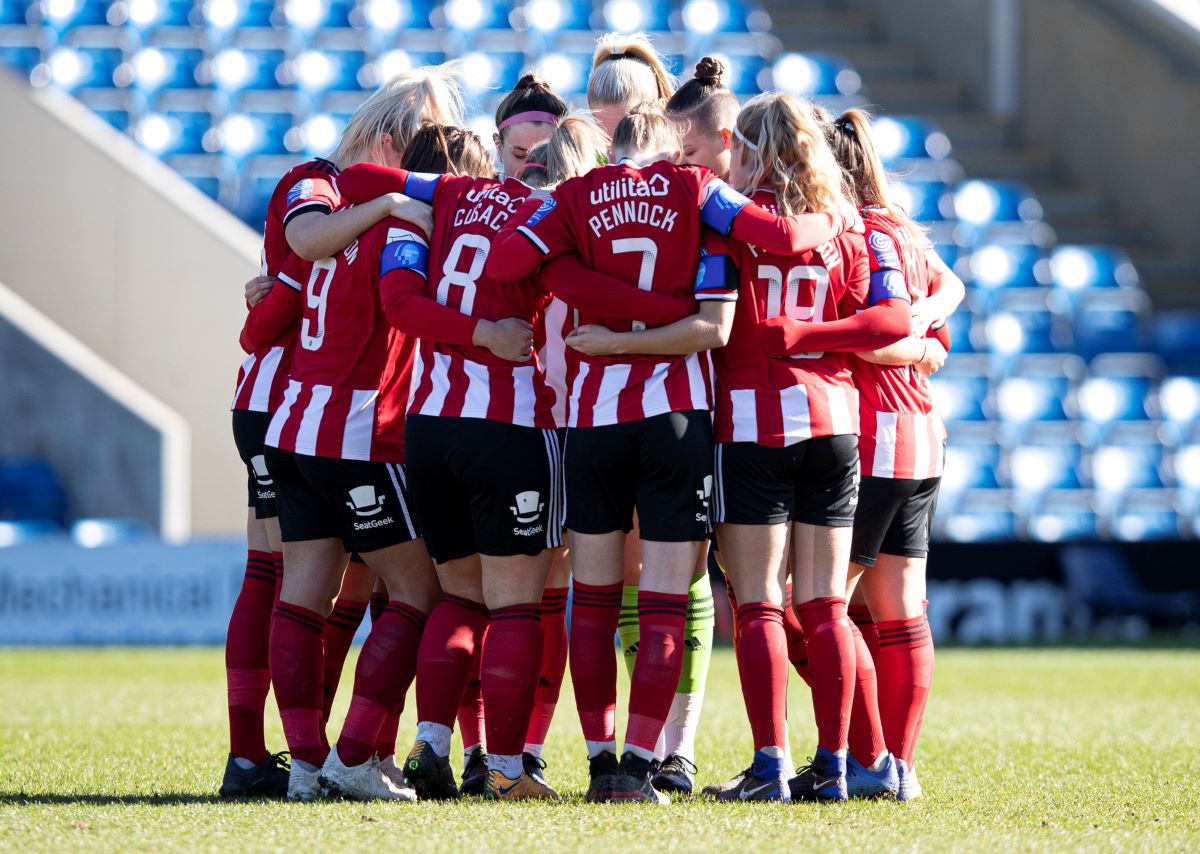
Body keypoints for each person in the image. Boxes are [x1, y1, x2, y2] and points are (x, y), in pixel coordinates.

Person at [484, 102, 858, 803]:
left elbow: (508, 263)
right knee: (663, 603)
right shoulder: (695, 190)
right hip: (676, 418)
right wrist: (835, 217)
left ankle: (597, 764)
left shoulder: (575, 193)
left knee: (591, 602)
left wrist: (573, 275)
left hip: (595, 418)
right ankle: (638, 764)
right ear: (671, 145)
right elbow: (776, 237)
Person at [217, 67, 456, 799]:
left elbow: (270, 309)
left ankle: (317, 758)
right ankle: (299, 753)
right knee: (390, 588)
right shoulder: (326, 188)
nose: (435, 163)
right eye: (424, 143)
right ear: (387, 137)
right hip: (328, 419)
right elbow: (306, 255)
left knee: (317, 589)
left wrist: (271, 294)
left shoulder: (367, 209)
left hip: (307, 418)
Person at [333, 76, 573, 803]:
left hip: (430, 429)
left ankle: (431, 744)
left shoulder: (438, 205)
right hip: (511, 426)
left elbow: (399, 295)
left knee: (456, 600)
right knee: (517, 607)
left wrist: (416, 192)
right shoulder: (545, 211)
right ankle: (506, 769)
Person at [695, 92, 912, 802]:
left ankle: (770, 767)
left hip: (756, 423)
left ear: (747, 144)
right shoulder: (851, 223)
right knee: (823, 605)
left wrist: (792, 339)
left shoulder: (728, 216)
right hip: (837, 423)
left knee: (758, 603)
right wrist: (821, 341)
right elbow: (891, 320)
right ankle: (837, 767)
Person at [821, 107, 965, 801]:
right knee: (902, 614)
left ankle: (870, 755)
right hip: (923, 436)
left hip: (872, 433)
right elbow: (954, 287)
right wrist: (930, 338)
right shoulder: (903, 229)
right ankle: (899, 768)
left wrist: (903, 340)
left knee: (819, 609)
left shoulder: (847, 233)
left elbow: (873, 338)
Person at [586, 32, 675, 137]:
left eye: (630, 134)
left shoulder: (689, 148)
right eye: (606, 138)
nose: (616, 151)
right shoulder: (590, 151)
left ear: (660, 109)